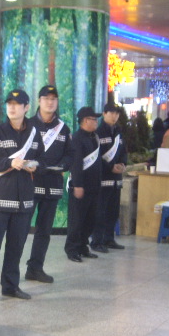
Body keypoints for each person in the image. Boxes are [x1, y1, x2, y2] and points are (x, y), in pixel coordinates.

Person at [0, 89, 44, 306]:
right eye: (9, 104)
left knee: (15, 249)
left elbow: (41, 158)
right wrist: (9, 162)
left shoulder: (34, 133)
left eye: (17, 104)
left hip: (24, 201)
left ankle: (10, 286)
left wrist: (34, 165)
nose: (12, 108)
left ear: (27, 108)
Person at [25, 85, 73, 283]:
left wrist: (64, 165)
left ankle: (35, 268)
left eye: (54, 99)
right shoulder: (27, 125)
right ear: (39, 101)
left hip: (52, 185)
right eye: (46, 98)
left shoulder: (63, 128)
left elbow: (70, 154)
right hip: (30, 184)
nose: (50, 102)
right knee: (20, 229)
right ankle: (10, 273)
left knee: (44, 231)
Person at [65, 107, 102, 262]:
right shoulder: (77, 138)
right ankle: (72, 249)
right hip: (80, 187)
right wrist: (78, 185)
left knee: (90, 219)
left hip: (94, 186)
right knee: (77, 220)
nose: (96, 122)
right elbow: (76, 164)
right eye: (94, 119)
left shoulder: (94, 137)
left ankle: (82, 246)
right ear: (85, 121)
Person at [90, 103, 127, 252]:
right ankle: (97, 241)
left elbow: (124, 151)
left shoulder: (119, 132)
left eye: (117, 113)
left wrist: (123, 164)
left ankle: (109, 239)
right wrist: (110, 166)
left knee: (113, 211)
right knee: (100, 212)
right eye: (111, 113)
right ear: (104, 114)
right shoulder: (98, 132)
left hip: (116, 179)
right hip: (103, 179)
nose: (114, 116)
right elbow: (96, 156)